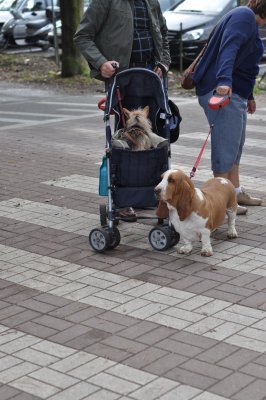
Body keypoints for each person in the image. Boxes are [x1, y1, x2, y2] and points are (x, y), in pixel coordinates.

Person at [73, 0, 171, 221]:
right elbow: (82, 36)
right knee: (124, 142)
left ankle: (149, 194)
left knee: (155, 139)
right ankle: (123, 199)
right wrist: (101, 63)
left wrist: (164, 63)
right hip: (123, 79)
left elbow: (163, 34)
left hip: (152, 79)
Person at [193, 0, 265, 215]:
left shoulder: (249, 21)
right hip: (222, 92)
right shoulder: (244, 16)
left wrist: (249, 95)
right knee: (225, 149)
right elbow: (229, 48)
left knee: (235, 147)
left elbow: (243, 64)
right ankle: (221, 203)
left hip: (236, 93)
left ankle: (235, 192)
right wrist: (224, 81)